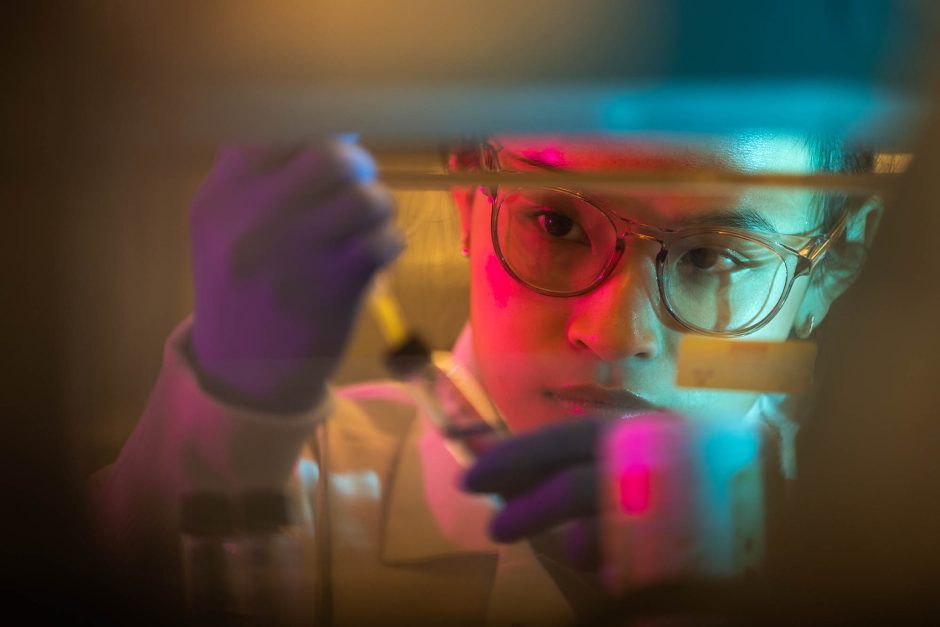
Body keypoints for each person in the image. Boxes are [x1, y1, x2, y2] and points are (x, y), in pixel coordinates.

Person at [92, 134, 881, 626]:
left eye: (712, 256)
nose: (612, 334)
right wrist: (235, 398)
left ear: (834, 263)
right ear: (470, 193)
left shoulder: (890, 534)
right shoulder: (294, 488)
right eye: (557, 223)